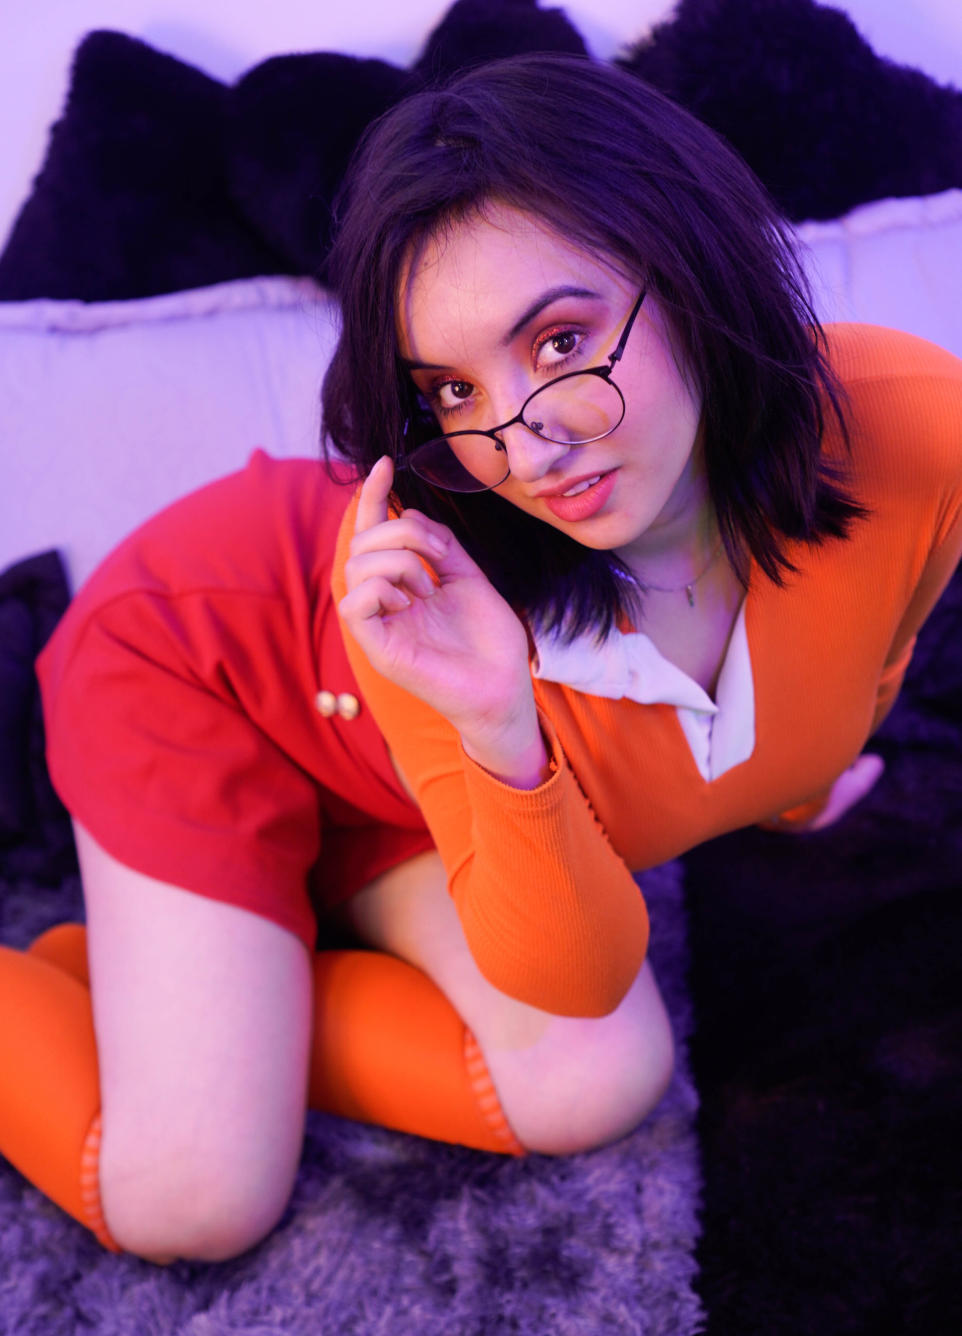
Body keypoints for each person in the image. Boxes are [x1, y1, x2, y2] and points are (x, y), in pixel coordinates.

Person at [3, 54, 961, 1265]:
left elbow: (875, 633)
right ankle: (193, 998)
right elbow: (570, 968)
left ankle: (208, 985)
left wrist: (801, 774)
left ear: (689, 262)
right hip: (206, 668)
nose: (525, 444)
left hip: (389, 793)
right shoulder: (445, 597)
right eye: (453, 390)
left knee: (593, 1083)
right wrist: (500, 725)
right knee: (191, 1204)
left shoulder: (911, 422)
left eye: (558, 342)